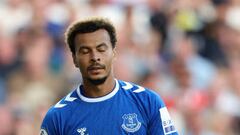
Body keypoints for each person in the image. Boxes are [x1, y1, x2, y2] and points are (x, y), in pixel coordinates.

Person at [40, 17, 178, 135]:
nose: (95, 57)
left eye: (101, 49)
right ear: (75, 59)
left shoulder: (148, 101)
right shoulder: (57, 117)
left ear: (114, 53)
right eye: (85, 51)